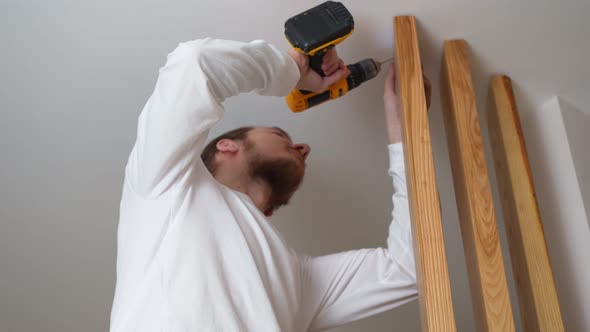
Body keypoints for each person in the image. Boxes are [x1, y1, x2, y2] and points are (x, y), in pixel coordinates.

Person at [110, 37, 429, 331]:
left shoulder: (297, 282)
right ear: (227, 146)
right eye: (281, 134)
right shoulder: (165, 182)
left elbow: (410, 267)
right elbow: (194, 64)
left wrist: (404, 137)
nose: (305, 148)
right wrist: (292, 71)